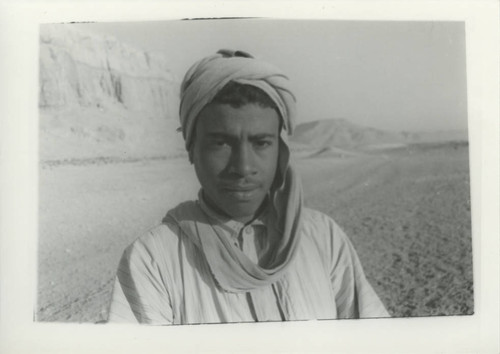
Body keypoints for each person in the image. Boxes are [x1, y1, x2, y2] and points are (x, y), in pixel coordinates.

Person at [107, 49, 389, 324]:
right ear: (192, 148)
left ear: (281, 151)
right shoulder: (153, 259)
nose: (242, 168)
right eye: (221, 143)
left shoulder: (323, 238)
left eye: (261, 143)